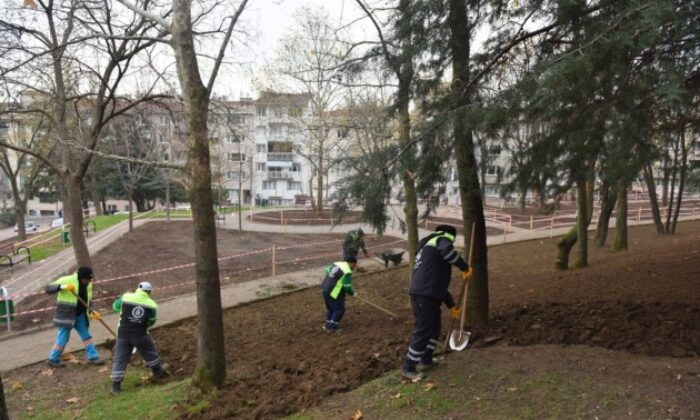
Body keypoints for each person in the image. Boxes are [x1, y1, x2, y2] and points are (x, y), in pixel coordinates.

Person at [401, 225, 472, 381]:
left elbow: (438, 286)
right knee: (424, 329)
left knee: (434, 328)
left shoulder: (430, 249)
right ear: (450, 236)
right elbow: (448, 252)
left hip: (428, 294)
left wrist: (452, 306)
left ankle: (426, 360)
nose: (451, 242)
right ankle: (408, 367)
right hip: (423, 295)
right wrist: (464, 267)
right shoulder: (441, 240)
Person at [110, 281, 168, 395]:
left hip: (123, 335)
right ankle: (158, 371)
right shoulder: (151, 304)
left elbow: (115, 307)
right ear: (149, 292)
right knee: (149, 351)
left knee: (120, 359)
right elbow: (152, 321)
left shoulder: (126, 297)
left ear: (137, 289)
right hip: (140, 334)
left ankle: (115, 387)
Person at [45, 266, 105, 367]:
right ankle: (53, 359)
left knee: (86, 335)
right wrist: (62, 287)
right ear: (81, 277)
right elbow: (48, 289)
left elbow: (88, 300)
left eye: (90, 279)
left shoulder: (88, 285)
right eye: (87, 279)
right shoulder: (66, 280)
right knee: (63, 337)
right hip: (67, 315)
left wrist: (92, 311)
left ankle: (93, 357)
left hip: (80, 314)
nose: (89, 282)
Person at [320, 256, 358, 333]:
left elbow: (327, 270)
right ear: (350, 263)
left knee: (331, 308)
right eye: (354, 264)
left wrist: (332, 279)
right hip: (334, 292)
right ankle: (332, 327)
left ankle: (327, 325)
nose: (355, 267)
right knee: (339, 309)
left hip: (325, 288)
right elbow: (347, 286)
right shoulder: (347, 271)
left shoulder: (336, 264)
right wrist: (353, 293)